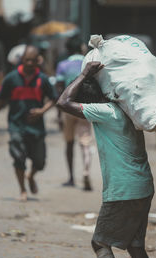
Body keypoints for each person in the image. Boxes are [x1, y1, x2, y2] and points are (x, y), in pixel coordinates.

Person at [57, 61, 154, 258]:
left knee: (100, 243)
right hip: (143, 186)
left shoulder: (106, 112)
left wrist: (83, 74)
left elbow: (63, 102)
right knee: (135, 246)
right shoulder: (125, 110)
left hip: (123, 191)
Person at [0, 45, 57, 202]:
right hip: (16, 125)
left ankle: (31, 176)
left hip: (37, 128)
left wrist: (42, 111)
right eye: (27, 60)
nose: (30, 63)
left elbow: (54, 99)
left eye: (33, 60)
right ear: (22, 60)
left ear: (37, 61)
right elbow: (0, 101)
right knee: (18, 157)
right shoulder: (11, 78)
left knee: (40, 162)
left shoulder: (43, 79)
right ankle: (22, 190)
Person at [56, 36, 93, 190]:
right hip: (84, 108)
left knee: (69, 143)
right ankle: (86, 171)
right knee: (85, 142)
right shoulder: (87, 63)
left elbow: (59, 88)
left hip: (67, 108)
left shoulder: (62, 65)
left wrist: (58, 113)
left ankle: (71, 177)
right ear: (81, 48)